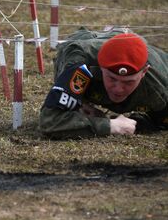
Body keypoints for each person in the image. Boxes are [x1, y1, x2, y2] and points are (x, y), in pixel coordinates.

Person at [40, 27, 168, 139]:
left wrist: (137, 122)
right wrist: (109, 126)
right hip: (85, 42)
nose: (118, 89)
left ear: (144, 72)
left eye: (128, 82)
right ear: (101, 67)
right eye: (112, 78)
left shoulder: (160, 82)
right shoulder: (81, 63)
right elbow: (50, 121)